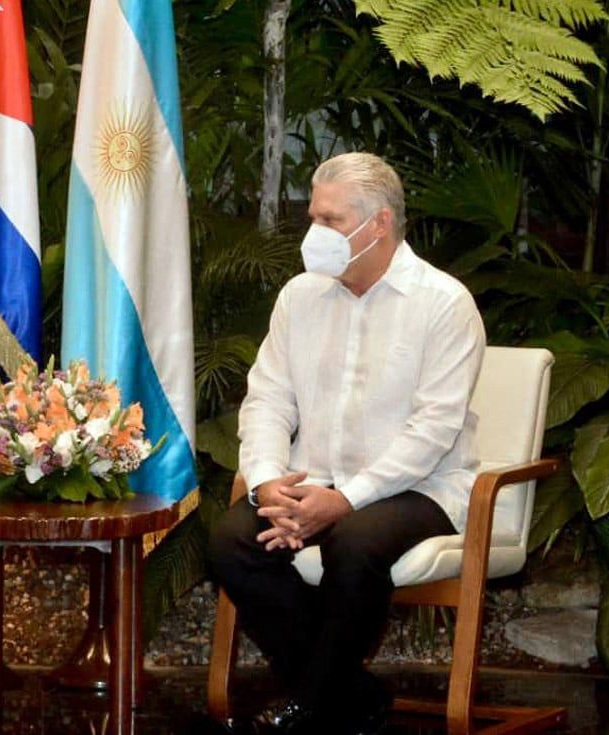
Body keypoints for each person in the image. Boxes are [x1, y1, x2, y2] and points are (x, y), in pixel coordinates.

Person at [208, 152, 485, 735]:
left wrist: (347, 498)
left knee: (354, 542)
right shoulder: (299, 297)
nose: (315, 232)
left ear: (379, 223)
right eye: (314, 216)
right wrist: (265, 481)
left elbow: (433, 430)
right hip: (315, 478)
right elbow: (267, 398)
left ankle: (310, 704)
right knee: (233, 539)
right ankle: (347, 695)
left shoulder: (444, 303)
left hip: (421, 487)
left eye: (330, 220)